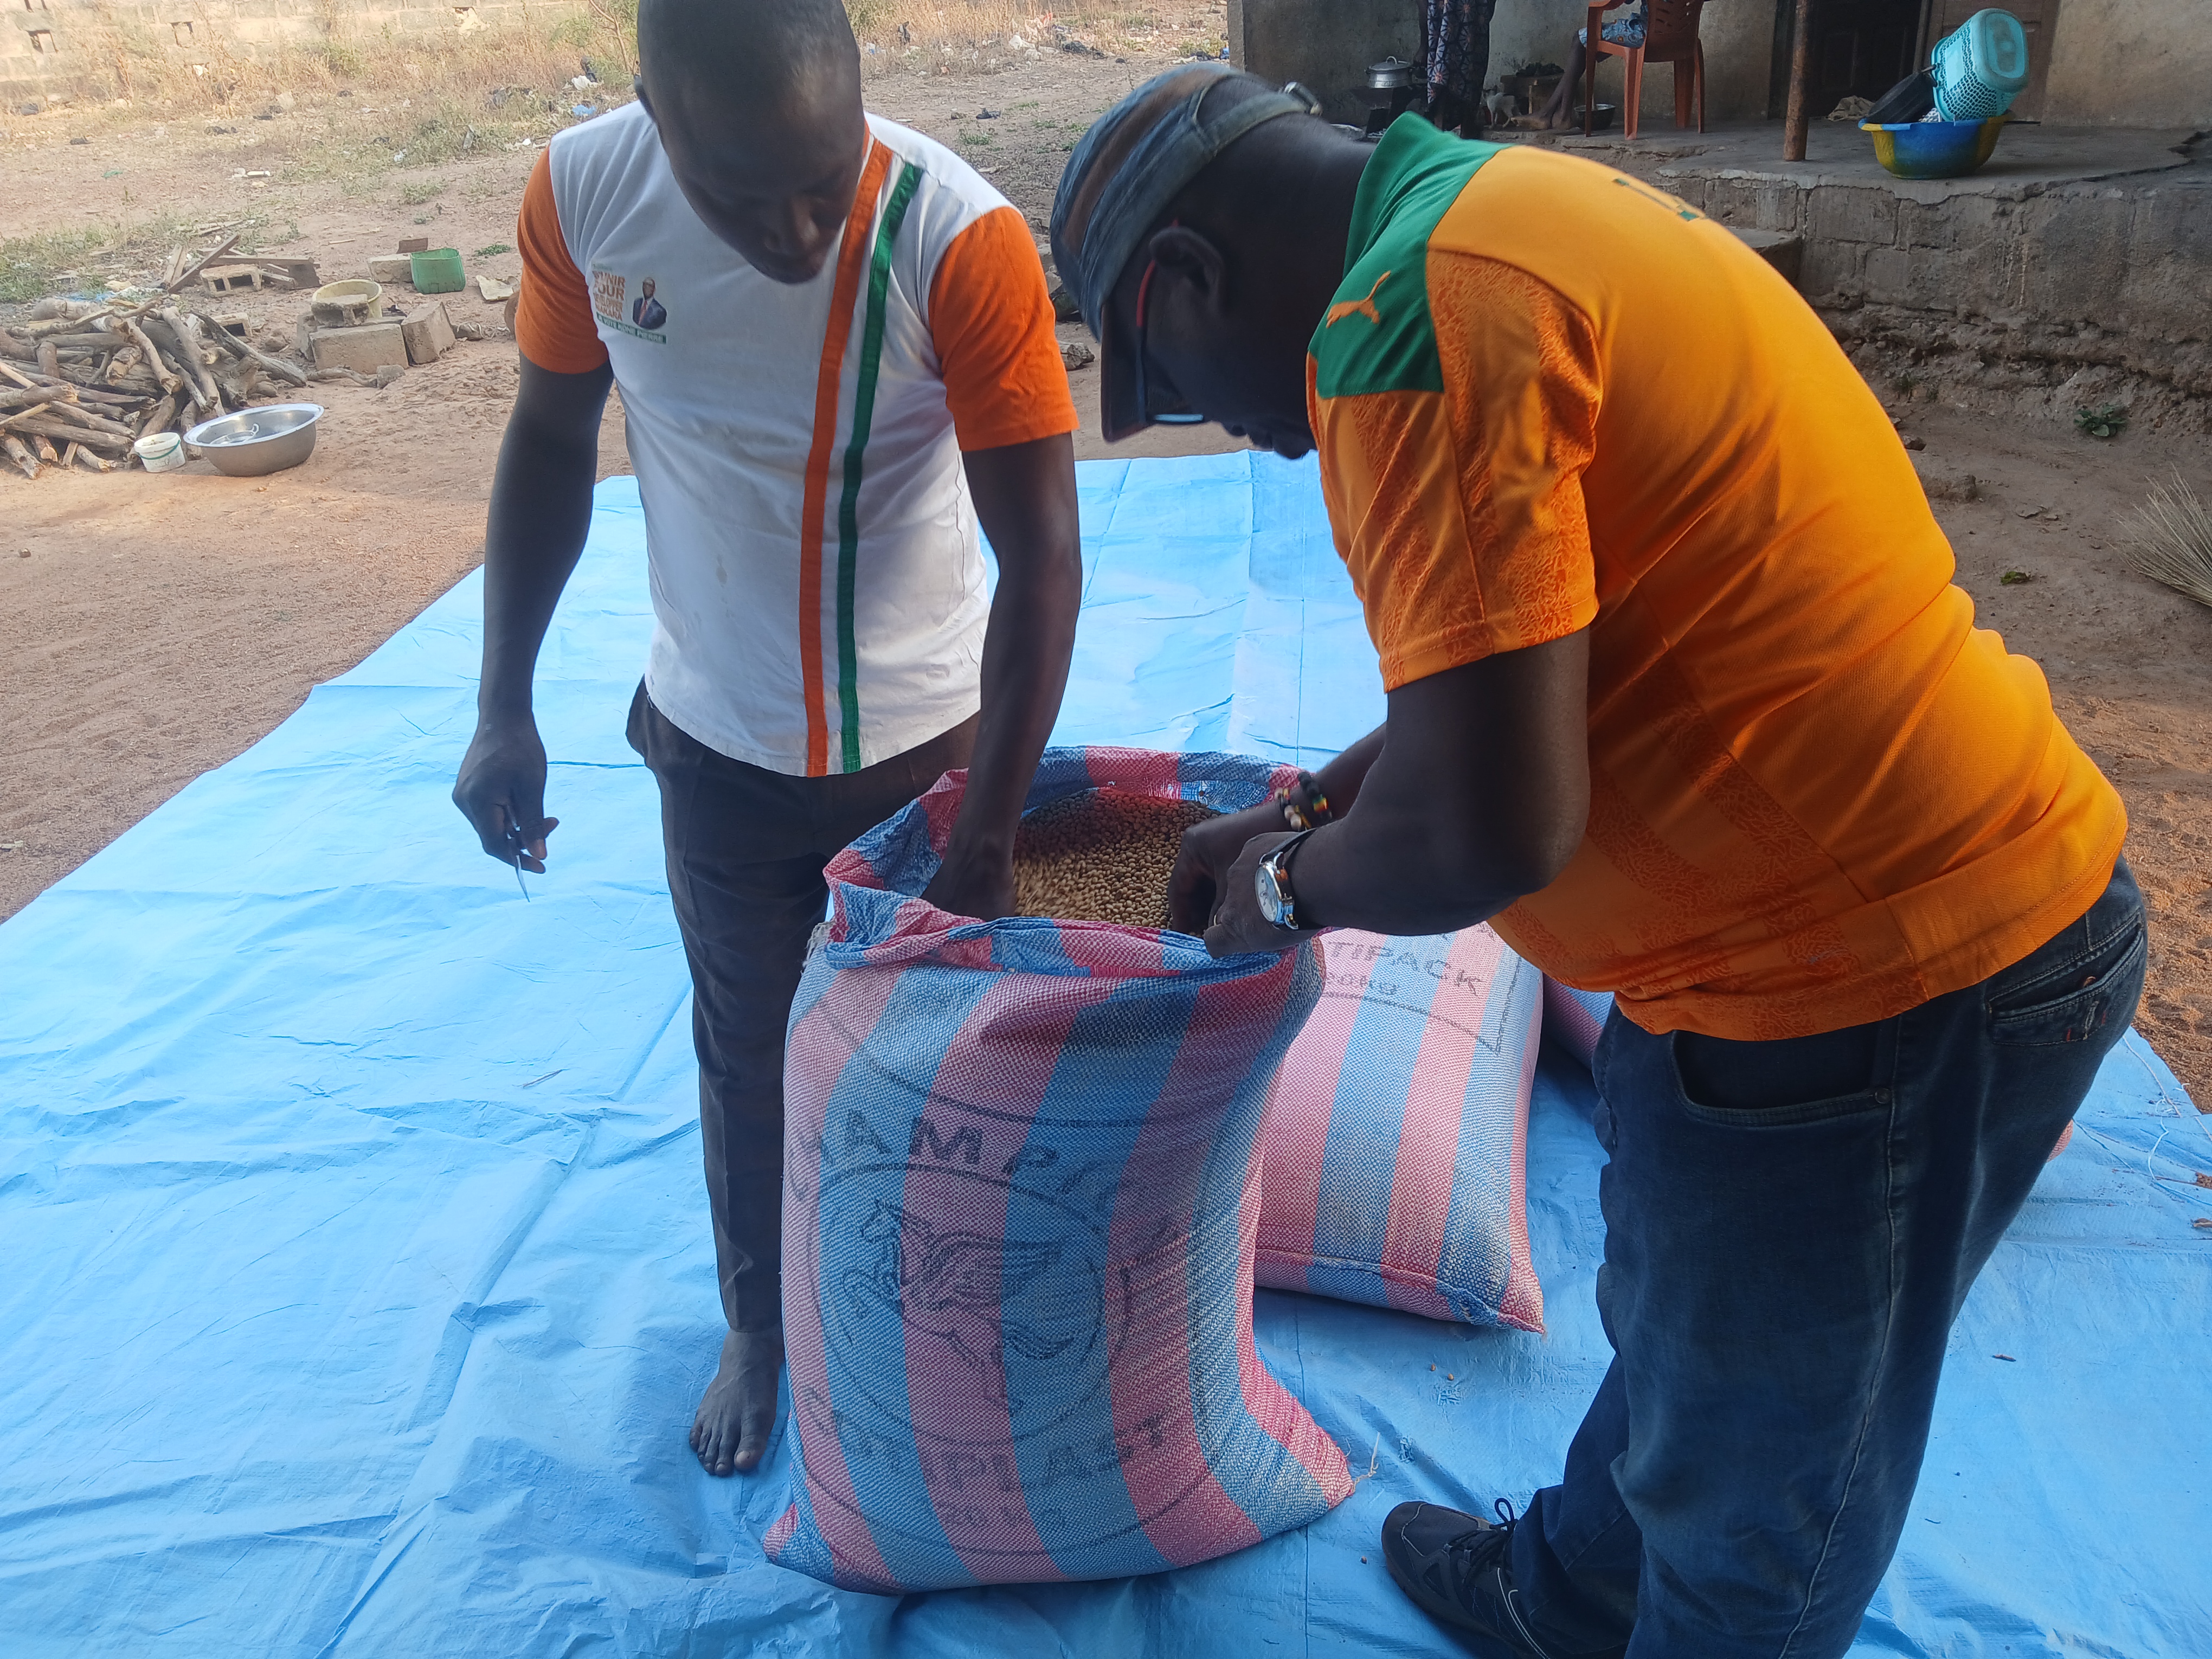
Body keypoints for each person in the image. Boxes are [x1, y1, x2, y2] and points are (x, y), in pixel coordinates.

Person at [1052, 65, 2140, 1657]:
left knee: (1761, 1502)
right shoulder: (1503, 216)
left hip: (1869, 990)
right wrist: (1302, 809)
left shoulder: (1404, 333)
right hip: (1859, 936)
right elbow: (1526, 659)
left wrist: (1284, 895)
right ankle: (1568, 1598)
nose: (1250, 438)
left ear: (1184, 278)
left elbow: (1492, 828)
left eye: (1178, 386)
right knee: (1689, 1333)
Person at [454, 0, 1082, 1481]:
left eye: (824, 181)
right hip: (716, 744)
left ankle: (944, 1310)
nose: (798, 232)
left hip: (924, 755)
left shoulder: (956, 239)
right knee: (746, 1051)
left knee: (939, 1054)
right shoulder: (581, 197)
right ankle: (761, 1326)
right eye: (747, 198)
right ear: (656, 119)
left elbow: (1045, 560)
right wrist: (502, 704)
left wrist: (988, 827)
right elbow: (550, 435)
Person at [1536, 1, 1647, 130]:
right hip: (1667, 38)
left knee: (1581, 39)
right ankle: (1551, 113)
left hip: (1643, 34)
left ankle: (1560, 115)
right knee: (1587, 44)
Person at [1420, 0, 1499, 137]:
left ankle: (1457, 128)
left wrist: (1424, 45)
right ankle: (1455, 128)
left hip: (1461, 16)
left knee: (1449, 65)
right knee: (1452, 66)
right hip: (1453, 16)